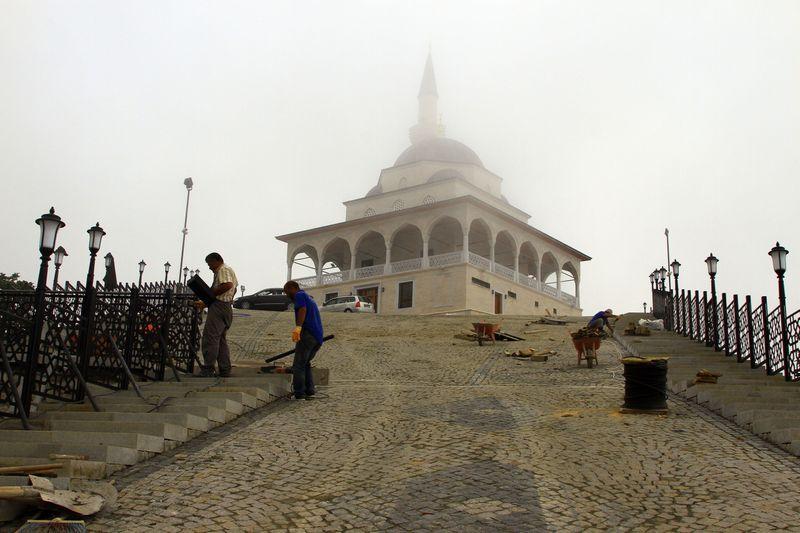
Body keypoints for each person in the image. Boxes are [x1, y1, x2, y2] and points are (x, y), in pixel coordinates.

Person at [194, 252, 238, 377]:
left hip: (219, 306)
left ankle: (208, 368)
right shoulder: (229, 270)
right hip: (225, 306)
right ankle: (224, 369)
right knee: (220, 340)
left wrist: (210, 295)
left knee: (210, 338)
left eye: (210, 264)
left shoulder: (223, 269)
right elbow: (234, 288)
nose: (209, 267)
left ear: (217, 261)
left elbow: (228, 285)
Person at [283, 280, 324, 400]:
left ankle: (299, 394)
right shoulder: (308, 297)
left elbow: (302, 309)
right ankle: (309, 390)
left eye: (287, 292)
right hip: (317, 337)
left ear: (294, 288)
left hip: (308, 334)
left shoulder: (299, 295)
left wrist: (298, 327)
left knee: (298, 365)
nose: (287, 295)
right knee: (306, 363)